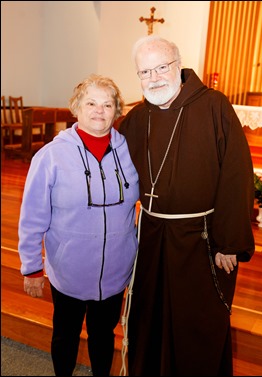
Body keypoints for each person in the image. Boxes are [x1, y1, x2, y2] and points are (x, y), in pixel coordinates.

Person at [118, 35, 255, 376]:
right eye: (145, 72)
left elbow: (237, 177)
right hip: (150, 235)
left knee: (196, 325)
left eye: (161, 67)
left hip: (201, 239)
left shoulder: (214, 107)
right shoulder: (137, 117)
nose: (154, 78)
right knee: (149, 317)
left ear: (178, 65)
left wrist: (230, 242)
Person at [18, 73, 139, 376]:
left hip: (114, 270)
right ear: (76, 107)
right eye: (91, 103)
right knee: (65, 335)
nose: (100, 111)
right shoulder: (51, 156)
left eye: (108, 104)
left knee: (103, 336)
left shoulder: (130, 153)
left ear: (117, 110)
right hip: (69, 269)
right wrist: (32, 266)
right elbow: (32, 215)